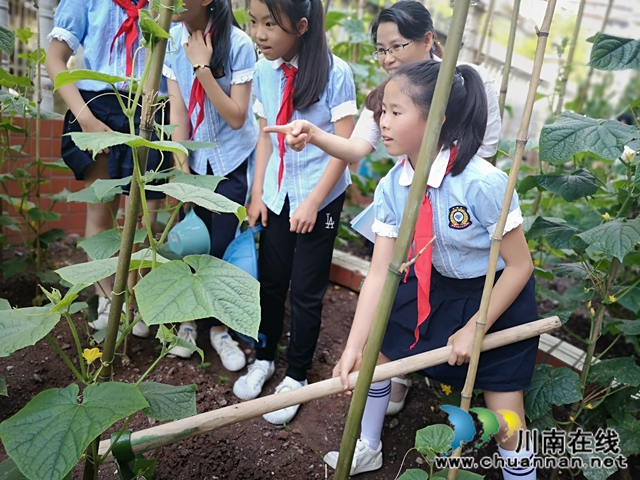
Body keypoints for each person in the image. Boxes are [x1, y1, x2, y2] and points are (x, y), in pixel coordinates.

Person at [266, 0, 501, 415]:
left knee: (440, 288)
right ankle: (398, 371)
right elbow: (357, 146)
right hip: (407, 208)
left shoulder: (465, 88)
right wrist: (316, 135)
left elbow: (479, 162)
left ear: (428, 40)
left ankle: (419, 371)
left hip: (451, 214)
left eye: (397, 47)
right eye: (381, 49)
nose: (387, 58)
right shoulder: (389, 96)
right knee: (400, 289)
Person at [317, 61, 538, 478]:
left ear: (439, 119)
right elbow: (380, 272)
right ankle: (367, 445)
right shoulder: (391, 187)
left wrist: (476, 327)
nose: (382, 122)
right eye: (382, 111)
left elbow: (520, 266)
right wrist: (352, 348)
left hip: (494, 294)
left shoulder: (481, 183)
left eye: (395, 112)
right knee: (376, 360)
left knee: (506, 410)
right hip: (432, 288)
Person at [232, 0, 357, 425]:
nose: (259, 33)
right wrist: (258, 193)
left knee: (306, 291)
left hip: (318, 196)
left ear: (301, 26)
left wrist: (312, 202)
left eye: (270, 24)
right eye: (253, 22)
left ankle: (296, 377)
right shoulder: (265, 69)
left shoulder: (335, 73)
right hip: (278, 193)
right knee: (271, 281)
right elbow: (266, 137)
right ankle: (264, 357)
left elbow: (345, 150)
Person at [45, 0, 174, 338]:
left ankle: (141, 302)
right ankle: (106, 301)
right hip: (97, 107)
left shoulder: (165, 4)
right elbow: (54, 59)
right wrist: (86, 119)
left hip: (150, 108)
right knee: (101, 213)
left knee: (149, 217)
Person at [161, 0, 259, 371]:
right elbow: (178, 110)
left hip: (231, 161)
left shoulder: (237, 44)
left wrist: (202, 67)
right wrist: (181, 169)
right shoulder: (171, 38)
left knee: (220, 244)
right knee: (191, 242)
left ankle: (219, 328)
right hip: (193, 159)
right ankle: (188, 322)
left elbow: (236, 116)